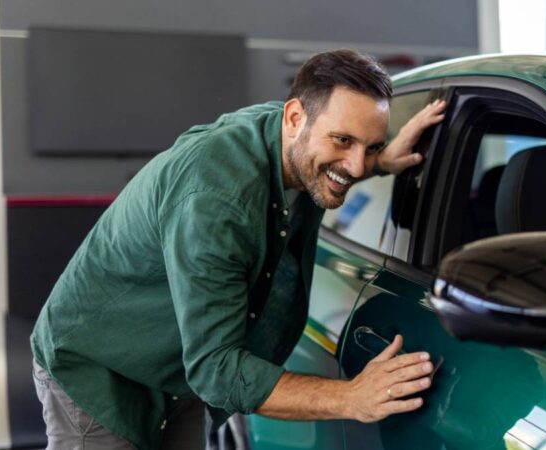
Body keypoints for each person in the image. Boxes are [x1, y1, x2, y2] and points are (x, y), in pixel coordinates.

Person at [30, 49, 447, 450]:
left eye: (370, 146)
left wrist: (384, 160)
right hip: (99, 369)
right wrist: (352, 398)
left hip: (179, 373)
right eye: (343, 141)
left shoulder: (292, 141)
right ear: (295, 118)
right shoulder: (218, 200)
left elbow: (338, 159)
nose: (356, 166)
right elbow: (216, 371)